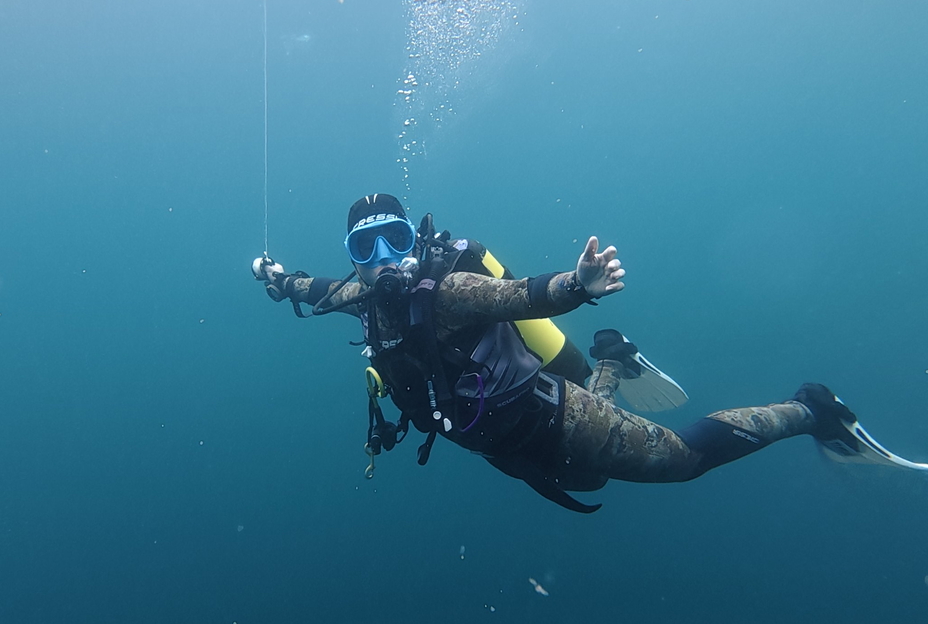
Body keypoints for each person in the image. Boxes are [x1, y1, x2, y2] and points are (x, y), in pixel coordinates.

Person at [253, 193, 927, 513]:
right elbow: (312, 289)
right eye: (363, 248)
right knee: (592, 485)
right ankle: (611, 357)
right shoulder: (359, 296)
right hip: (503, 444)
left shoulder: (449, 290)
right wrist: (277, 278)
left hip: (554, 417)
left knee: (685, 460)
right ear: (355, 260)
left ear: (412, 240)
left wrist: (579, 285)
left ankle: (813, 407)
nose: (382, 261)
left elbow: (520, 295)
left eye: (392, 239)